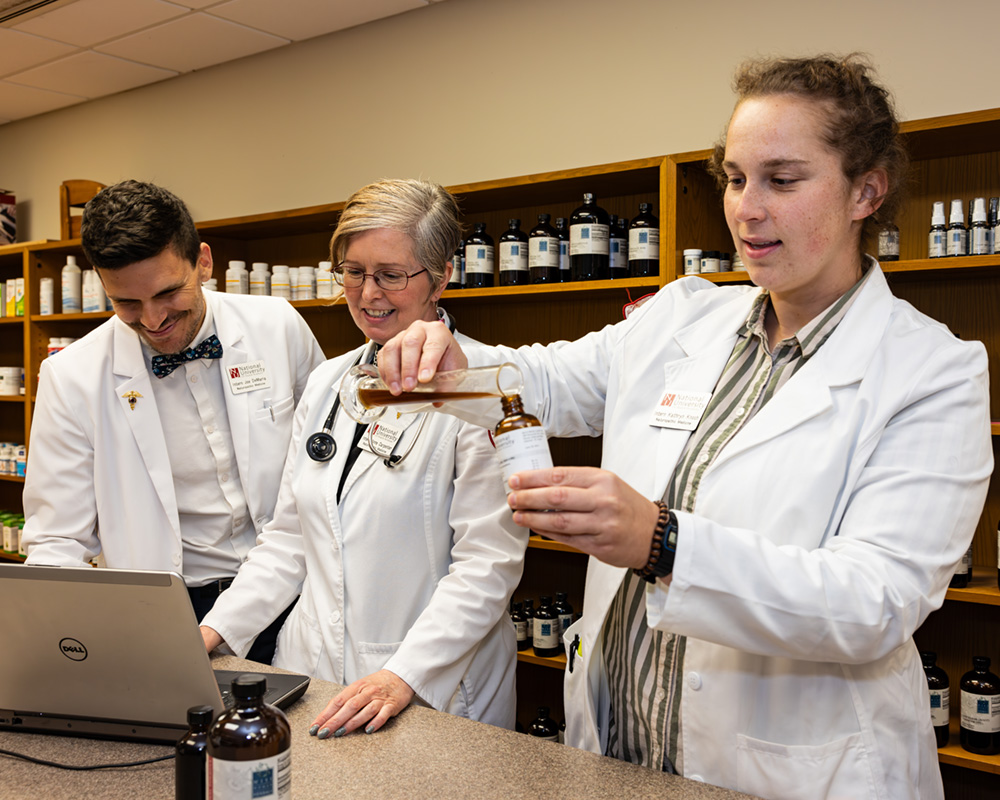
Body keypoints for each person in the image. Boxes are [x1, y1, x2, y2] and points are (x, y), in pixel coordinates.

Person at [376, 55, 993, 799]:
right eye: (735, 178)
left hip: (787, 772)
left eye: (782, 179)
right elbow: (542, 380)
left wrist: (663, 542)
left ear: (867, 190)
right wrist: (446, 355)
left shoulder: (932, 370)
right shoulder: (683, 316)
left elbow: (874, 602)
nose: (745, 208)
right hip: (619, 755)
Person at [200, 178, 526, 736]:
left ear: (441, 276)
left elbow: (487, 566)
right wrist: (215, 631)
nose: (368, 293)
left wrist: (402, 674)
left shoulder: (484, 385)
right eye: (353, 272)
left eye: (391, 275)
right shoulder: (329, 381)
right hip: (314, 673)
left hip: (431, 685)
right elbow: (290, 537)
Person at [22, 180, 326, 664]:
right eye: (126, 303)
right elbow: (58, 537)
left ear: (203, 261)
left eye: (168, 292)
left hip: (296, 589)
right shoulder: (72, 376)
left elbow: (323, 462)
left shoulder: (277, 325)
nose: (153, 319)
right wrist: (61, 644)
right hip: (165, 611)